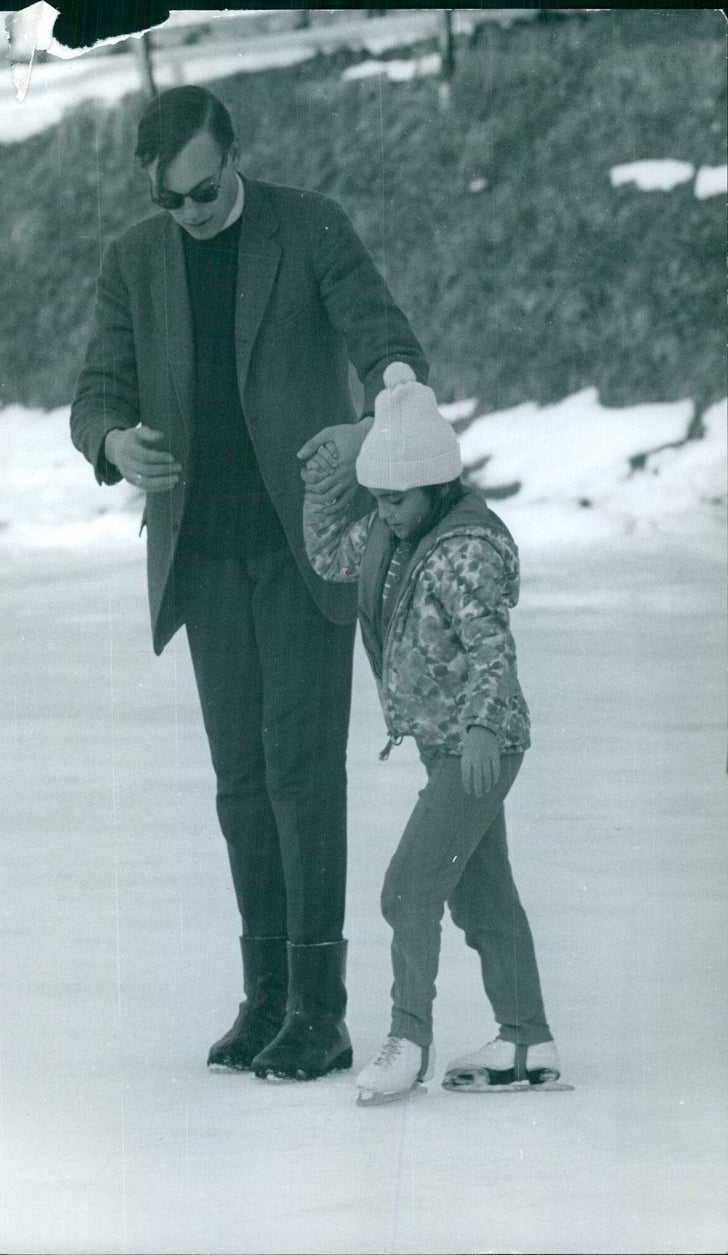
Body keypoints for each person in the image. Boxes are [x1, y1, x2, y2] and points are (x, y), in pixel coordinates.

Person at [70, 86, 429, 1081]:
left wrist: (378, 415)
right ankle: (266, 993)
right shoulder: (132, 260)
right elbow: (96, 386)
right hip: (204, 551)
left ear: (234, 153)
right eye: (168, 201)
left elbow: (381, 333)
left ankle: (322, 1008)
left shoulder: (307, 224)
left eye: (204, 190)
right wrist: (110, 439)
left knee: (301, 774)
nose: (189, 213)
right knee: (240, 783)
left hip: (303, 542)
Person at [302, 362, 562, 1104]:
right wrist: (323, 490)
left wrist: (483, 725)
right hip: (446, 742)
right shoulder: (396, 531)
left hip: (479, 745)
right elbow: (330, 555)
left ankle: (408, 1038)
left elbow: (491, 647)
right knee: (482, 898)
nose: (384, 512)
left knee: (408, 887)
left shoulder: (464, 549)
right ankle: (526, 1034)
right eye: (376, 498)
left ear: (437, 484)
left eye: (396, 499)